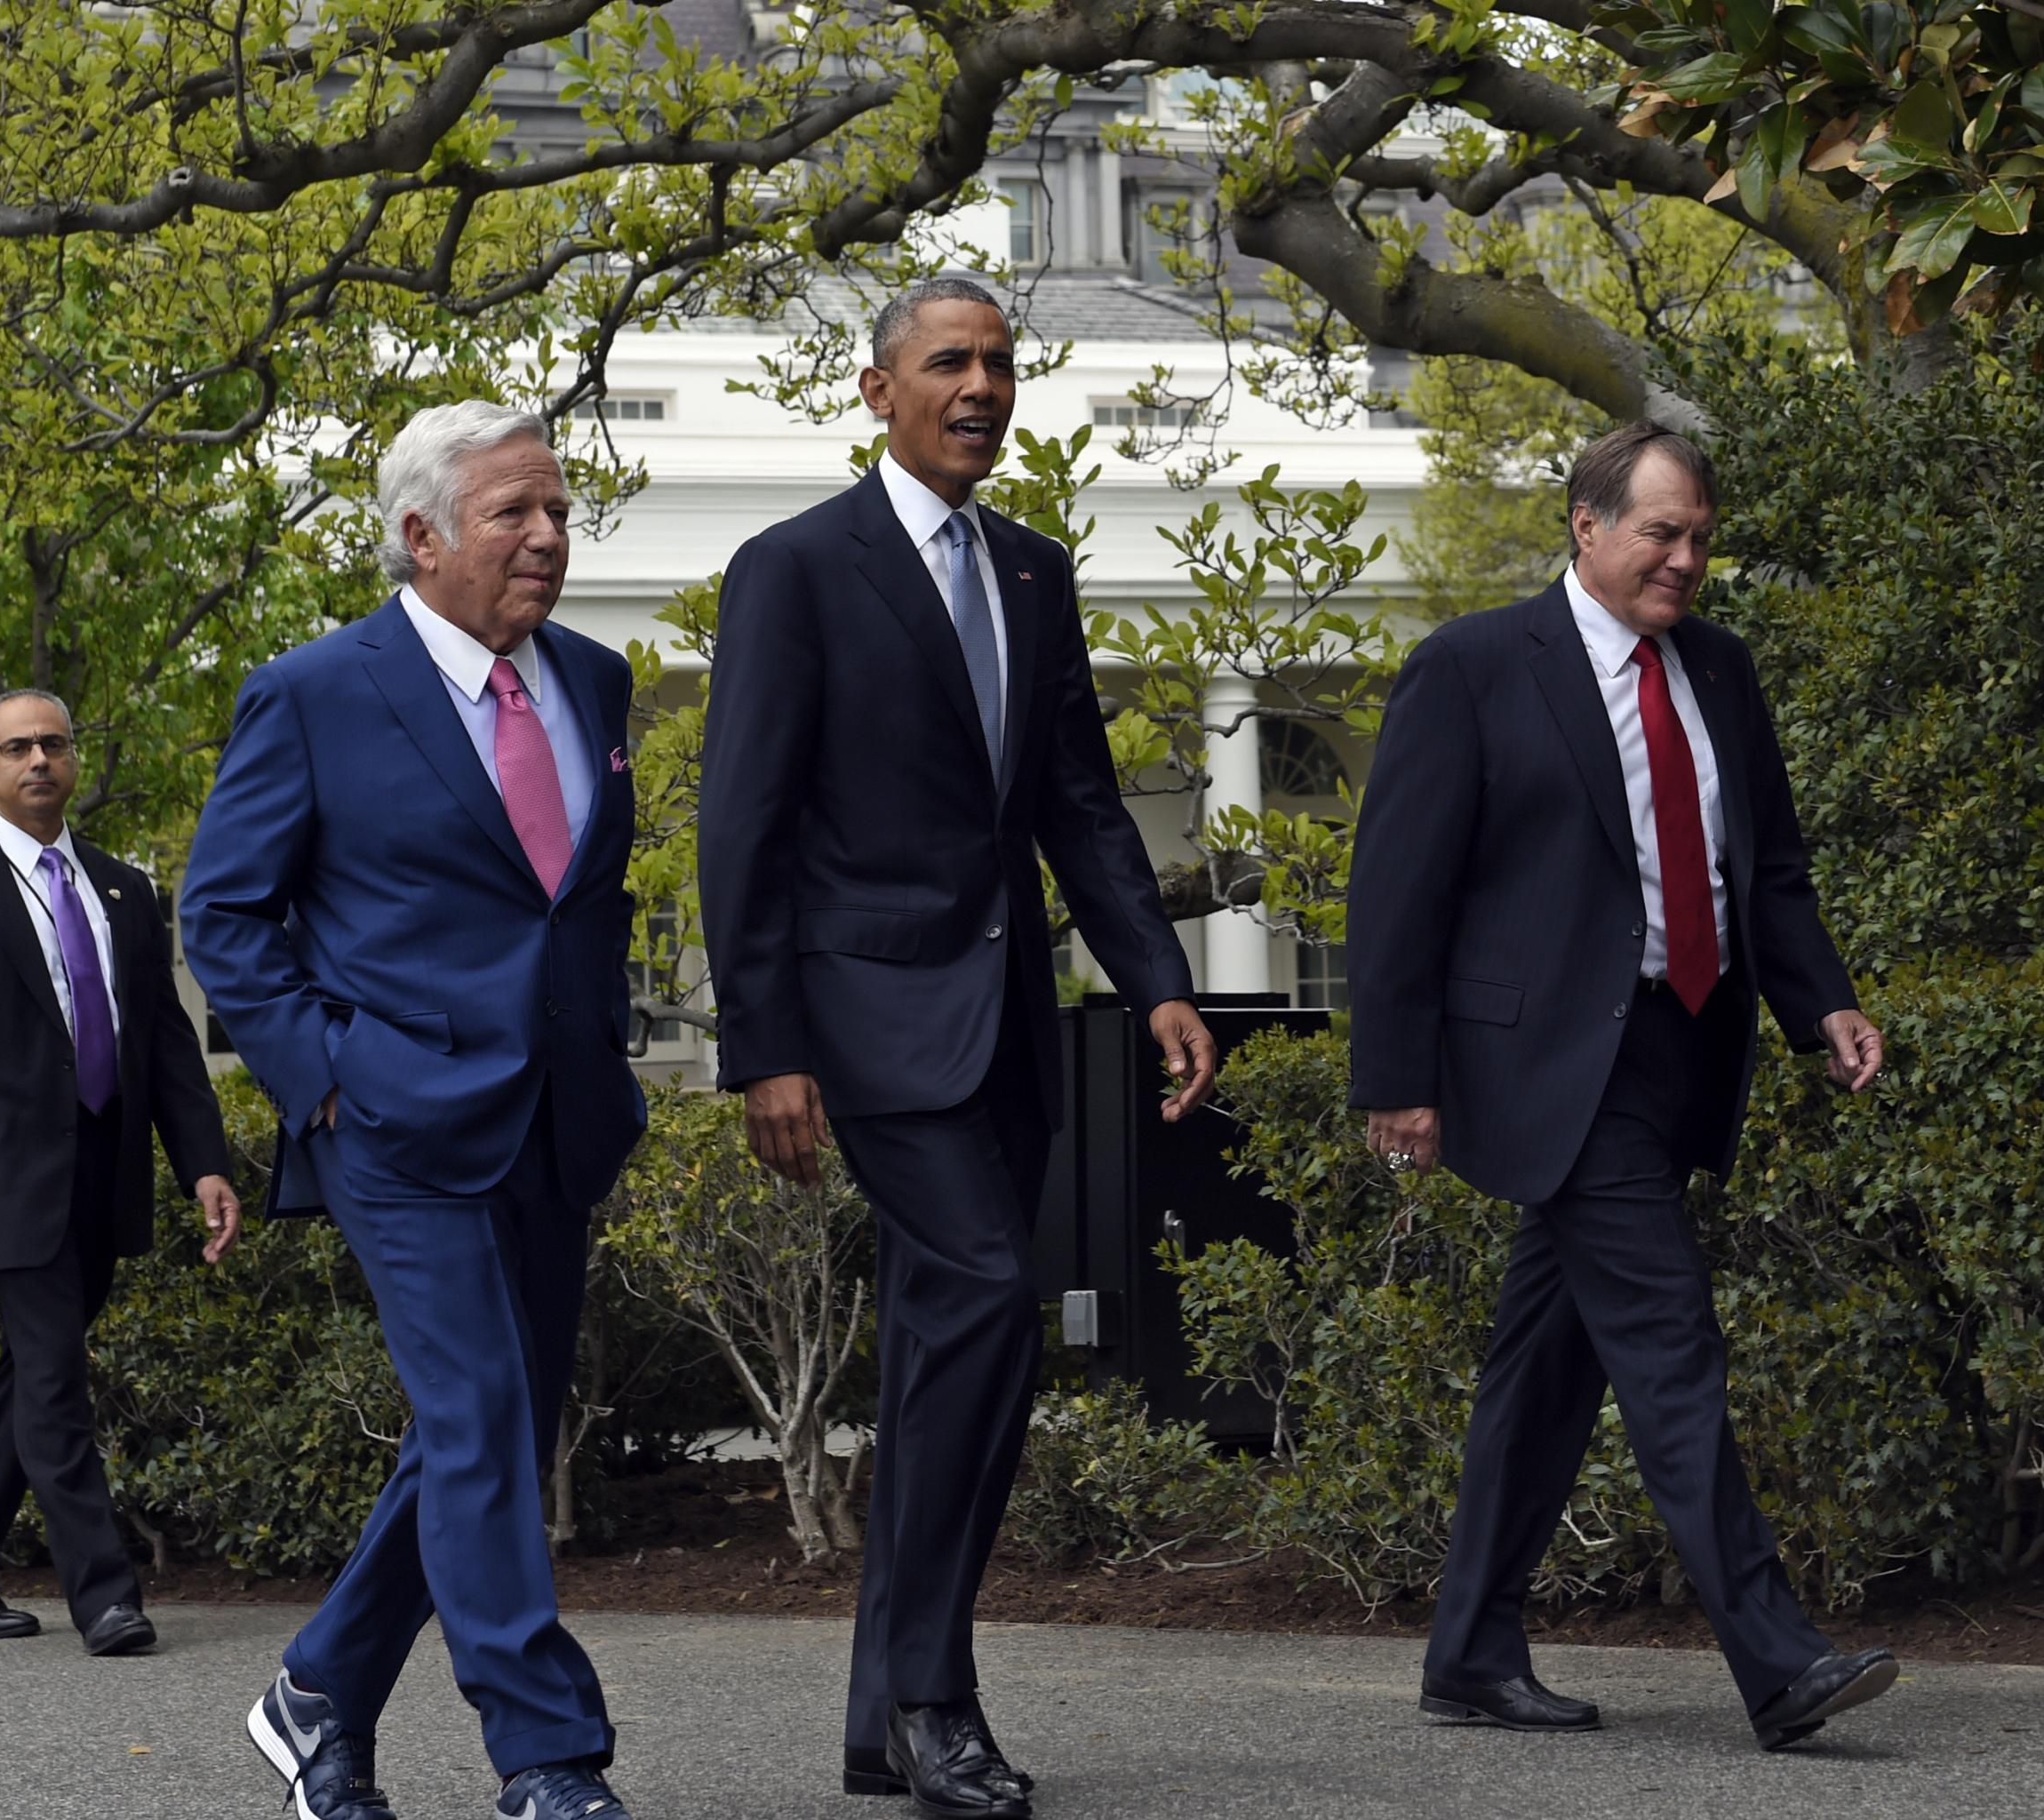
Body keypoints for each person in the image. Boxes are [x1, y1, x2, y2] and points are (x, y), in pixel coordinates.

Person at [699, 275, 1218, 1820]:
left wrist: (1158, 977)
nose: (981, 384)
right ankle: (935, 1697)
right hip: (865, 1024)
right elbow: (743, 823)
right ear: (878, 390)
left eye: (998, 361)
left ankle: (881, 1716)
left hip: (1004, 1026)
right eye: (949, 361)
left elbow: (1073, 800)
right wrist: (761, 1043)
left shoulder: (1033, 570)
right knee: (995, 1297)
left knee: (949, 1352)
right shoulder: (793, 570)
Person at [1346, 421, 1896, 1752]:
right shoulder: (1477, 668)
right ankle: (1776, 1661)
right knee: (1667, 1344)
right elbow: (1397, 889)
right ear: (1585, 526)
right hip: (1546, 1064)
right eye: (1662, 532)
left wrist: (1822, 997)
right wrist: (1397, 1076)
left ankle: (1471, 1651)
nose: (1687, 559)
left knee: (1547, 1367)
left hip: (1677, 1045)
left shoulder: (1719, 668)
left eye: (1701, 535)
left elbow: (1767, 870)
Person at [182, 400, 648, 1820]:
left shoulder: (597, 680)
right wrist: (326, 1080)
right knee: (482, 1413)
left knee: (478, 1432)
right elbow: (225, 914)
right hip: (393, 1123)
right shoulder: (316, 691)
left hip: (558, 1121)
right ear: (421, 535)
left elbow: (578, 904)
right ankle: (548, 1756)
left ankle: (318, 1696)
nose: (550, 537)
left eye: (559, 511)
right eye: (515, 512)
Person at [0, 686, 239, 1658]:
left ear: (76, 760)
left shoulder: (124, 888)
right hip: (3, 1182)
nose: (39, 760)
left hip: (102, 1169)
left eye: (54, 744)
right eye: (17, 747)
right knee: (56, 1384)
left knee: (28, 1379)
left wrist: (202, 1161)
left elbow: (164, 1040)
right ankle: (104, 1593)